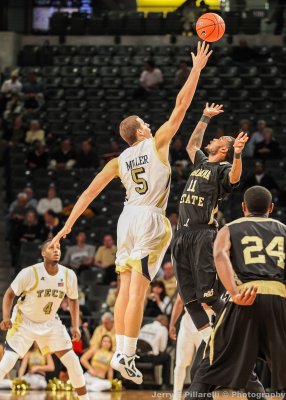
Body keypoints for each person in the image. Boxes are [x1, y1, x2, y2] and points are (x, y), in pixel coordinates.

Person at [51, 41, 212, 384]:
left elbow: (88, 192)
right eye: (144, 122)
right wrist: (196, 69)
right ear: (140, 132)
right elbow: (181, 105)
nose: (149, 123)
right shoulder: (156, 144)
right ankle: (125, 354)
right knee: (137, 291)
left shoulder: (118, 160)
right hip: (151, 220)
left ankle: (124, 353)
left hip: (126, 220)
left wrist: (67, 225)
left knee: (125, 290)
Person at [187, 186, 286, 399]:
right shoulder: (284, 229)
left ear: (243, 207)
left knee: (211, 363)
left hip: (244, 297)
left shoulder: (230, 228)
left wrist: (234, 293)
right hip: (279, 299)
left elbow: (220, 255)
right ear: (271, 208)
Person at [172, 102, 248, 343]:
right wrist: (204, 117)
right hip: (181, 235)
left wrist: (237, 153)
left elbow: (235, 177)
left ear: (224, 149)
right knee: (189, 300)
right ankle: (210, 344)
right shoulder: (203, 162)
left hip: (202, 233)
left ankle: (241, 326)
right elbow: (191, 144)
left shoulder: (223, 168)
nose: (215, 139)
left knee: (208, 295)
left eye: (221, 139)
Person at [0, 239, 90, 400]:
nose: (56, 250)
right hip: (24, 320)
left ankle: (85, 399)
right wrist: (6, 317)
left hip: (49, 321)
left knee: (72, 360)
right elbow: (9, 295)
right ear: (43, 253)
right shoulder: (29, 272)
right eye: (51, 247)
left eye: (58, 247)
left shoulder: (69, 275)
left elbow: (74, 300)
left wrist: (75, 326)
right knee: (8, 361)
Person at [169, 294, 206, 400]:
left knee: (204, 363)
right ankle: (176, 396)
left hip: (206, 321)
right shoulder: (183, 277)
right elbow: (179, 301)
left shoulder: (210, 277)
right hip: (188, 322)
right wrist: (172, 324)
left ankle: (203, 394)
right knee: (181, 363)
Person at [138, 315, 171, 388]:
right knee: (167, 357)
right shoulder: (163, 329)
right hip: (150, 358)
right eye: (167, 322)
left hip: (138, 357)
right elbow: (162, 349)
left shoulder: (145, 326)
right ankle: (165, 384)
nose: (167, 324)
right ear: (163, 321)